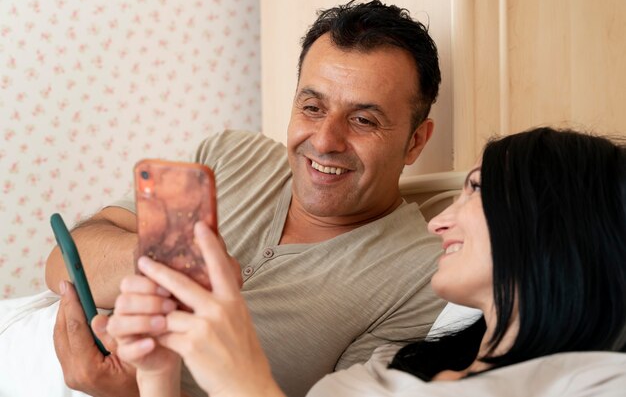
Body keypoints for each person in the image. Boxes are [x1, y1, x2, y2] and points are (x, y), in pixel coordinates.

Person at [44, 0, 446, 397]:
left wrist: (141, 389)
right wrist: (161, 260)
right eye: (312, 107)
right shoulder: (231, 156)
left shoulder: (425, 277)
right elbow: (60, 263)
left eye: (363, 120)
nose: (325, 140)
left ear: (415, 142)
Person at [102, 127, 626, 396]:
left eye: (476, 191)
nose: (438, 221)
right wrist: (158, 376)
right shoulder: (393, 366)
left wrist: (242, 378)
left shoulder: (595, 382)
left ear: (555, 221)